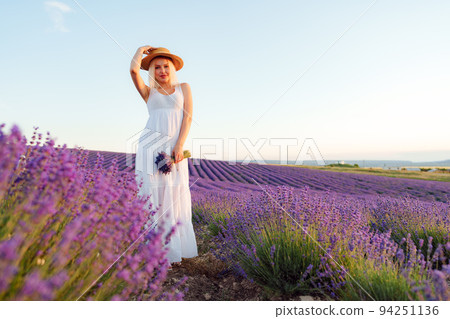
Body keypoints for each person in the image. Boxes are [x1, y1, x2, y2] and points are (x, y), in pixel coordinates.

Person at [129, 46, 198, 269]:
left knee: (174, 195)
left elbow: (187, 119)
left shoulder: (183, 88)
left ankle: (173, 249)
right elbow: (132, 72)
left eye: (165, 66)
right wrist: (140, 52)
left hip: (173, 149)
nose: (161, 70)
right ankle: (155, 251)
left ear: (172, 68)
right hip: (150, 148)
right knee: (153, 196)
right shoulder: (150, 92)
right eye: (156, 67)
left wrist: (179, 146)